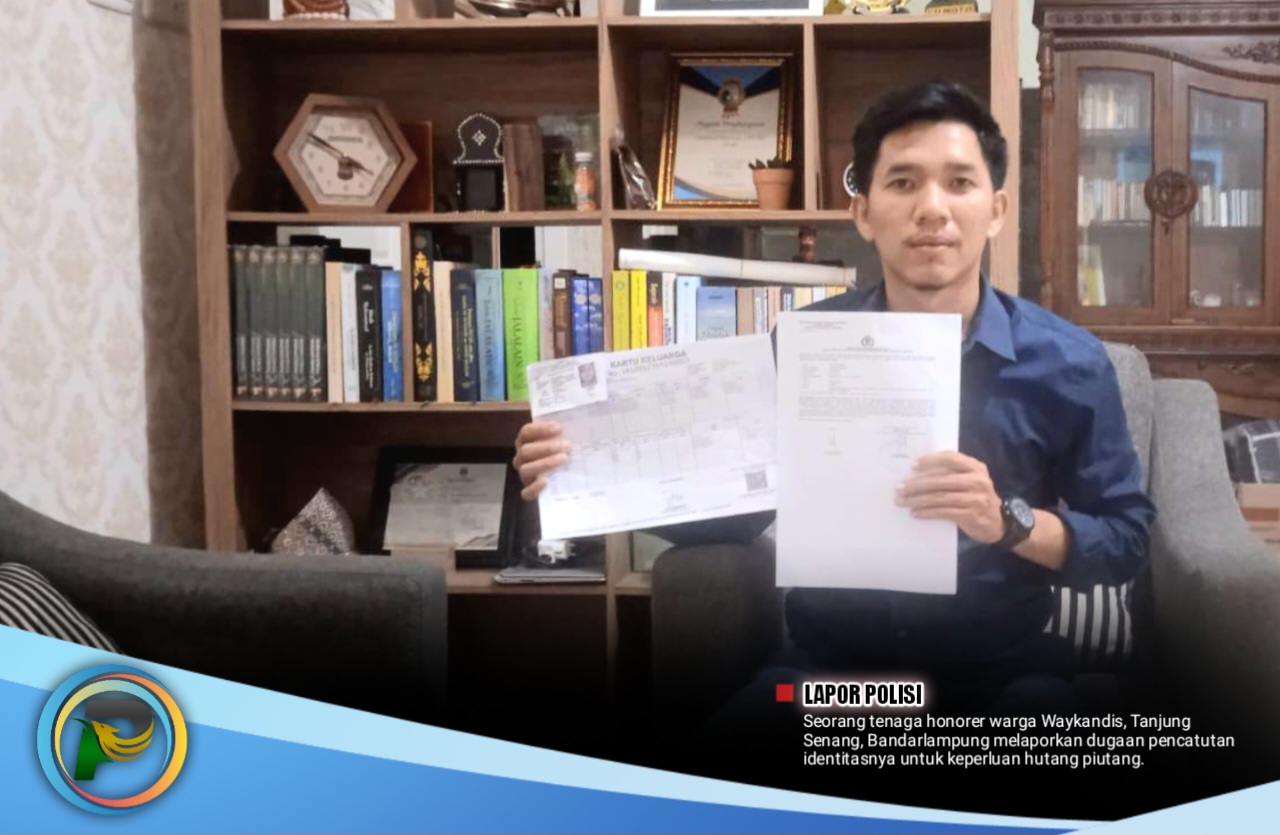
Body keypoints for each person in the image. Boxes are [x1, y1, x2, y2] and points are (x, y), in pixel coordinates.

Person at [512, 81, 1155, 720]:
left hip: (1005, 677)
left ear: (996, 210)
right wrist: (586, 471)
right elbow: (734, 505)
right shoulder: (802, 345)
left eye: (960, 182)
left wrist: (1007, 521)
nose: (932, 208)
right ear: (863, 213)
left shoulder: (1069, 363)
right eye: (903, 182)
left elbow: (1126, 538)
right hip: (829, 679)